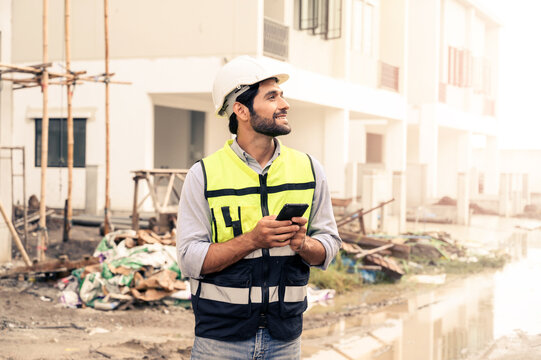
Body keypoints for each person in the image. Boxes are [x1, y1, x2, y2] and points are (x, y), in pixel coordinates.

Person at [176, 56, 341, 359]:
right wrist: (253, 240)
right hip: (220, 343)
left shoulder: (310, 170)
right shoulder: (204, 175)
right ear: (241, 110)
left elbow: (329, 245)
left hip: (285, 340)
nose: (285, 104)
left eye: (282, 94)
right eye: (272, 96)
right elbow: (189, 260)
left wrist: (301, 243)